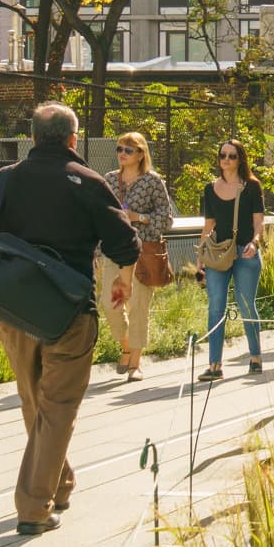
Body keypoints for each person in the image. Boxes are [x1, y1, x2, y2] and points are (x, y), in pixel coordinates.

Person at [0, 100, 140, 536]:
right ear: (73, 139)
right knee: (56, 409)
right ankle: (33, 508)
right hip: (69, 313)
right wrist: (122, 281)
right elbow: (126, 243)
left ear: (31, 138)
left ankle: (60, 483)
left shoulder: (1, 181)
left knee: (35, 403)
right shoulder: (88, 182)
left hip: (13, 311)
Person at [103, 131, 175, 379]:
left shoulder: (153, 181)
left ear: (141, 154)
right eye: (119, 149)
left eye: (128, 150)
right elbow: (99, 215)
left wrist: (139, 217)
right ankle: (126, 346)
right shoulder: (109, 180)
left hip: (143, 251)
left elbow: (166, 219)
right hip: (114, 250)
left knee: (139, 307)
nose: (122, 154)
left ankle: (135, 363)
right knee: (109, 303)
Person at [198, 138, 267, 381]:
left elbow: (259, 222)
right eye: (222, 155)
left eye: (231, 156)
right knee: (216, 306)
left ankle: (255, 357)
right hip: (218, 251)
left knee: (246, 303)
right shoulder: (209, 188)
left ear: (240, 159)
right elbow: (208, 226)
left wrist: (255, 242)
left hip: (245, 251)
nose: (226, 160)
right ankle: (214, 364)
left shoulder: (251, 186)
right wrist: (200, 258)